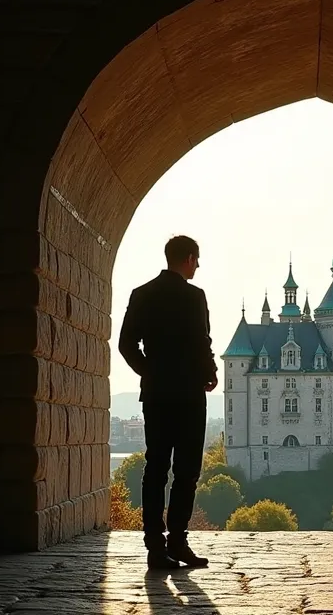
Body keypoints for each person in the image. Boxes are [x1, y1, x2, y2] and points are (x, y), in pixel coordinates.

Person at [118, 235, 218, 570]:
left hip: (157, 393)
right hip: (189, 393)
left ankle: (154, 546)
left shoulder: (142, 294)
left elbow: (126, 344)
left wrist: (150, 372)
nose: (198, 266)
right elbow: (201, 341)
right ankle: (178, 540)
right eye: (197, 259)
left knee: (156, 467)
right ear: (189, 258)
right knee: (187, 470)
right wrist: (210, 373)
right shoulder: (194, 296)